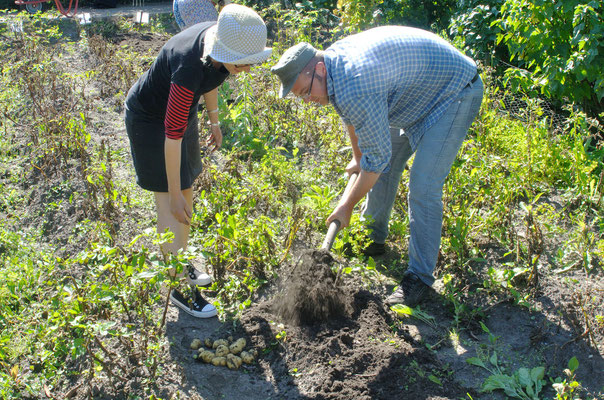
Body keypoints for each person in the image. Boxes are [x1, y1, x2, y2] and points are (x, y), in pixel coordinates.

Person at [271, 26, 483, 307]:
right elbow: (350, 117)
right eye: (301, 97)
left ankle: (419, 278)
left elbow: (376, 160)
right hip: (414, 95)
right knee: (381, 162)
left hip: (453, 93)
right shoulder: (334, 67)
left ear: (318, 69)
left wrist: (346, 206)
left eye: (305, 92)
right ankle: (373, 237)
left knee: (423, 185)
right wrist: (359, 158)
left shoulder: (355, 81)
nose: (308, 101)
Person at [125, 4, 272, 318]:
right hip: (151, 120)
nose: (248, 69)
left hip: (180, 112)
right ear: (227, 51)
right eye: (245, 62)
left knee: (187, 187)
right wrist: (174, 193)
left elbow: (213, 77)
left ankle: (180, 259)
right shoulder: (187, 69)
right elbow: (172, 136)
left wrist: (214, 122)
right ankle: (177, 288)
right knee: (169, 201)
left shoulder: (220, 41)